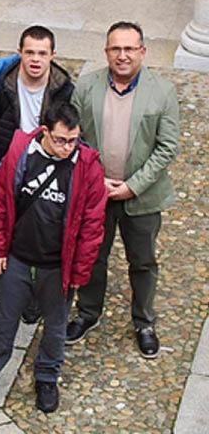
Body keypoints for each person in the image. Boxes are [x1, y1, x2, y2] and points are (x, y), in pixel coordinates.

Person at [0, 103, 107, 413]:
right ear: (45, 132)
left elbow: (93, 225)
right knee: (3, 324)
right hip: (18, 259)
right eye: (60, 140)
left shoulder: (88, 166)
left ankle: (47, 378)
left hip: (58, 266)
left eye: (73, 140)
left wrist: (80, 273)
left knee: (55, 328)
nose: (68, 147)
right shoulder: (21, 153)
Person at [64, 22, 180, 358]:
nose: (123, 55)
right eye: (116, 48)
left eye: (130, 48)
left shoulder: (162, 91)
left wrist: (133, 186)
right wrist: (96, 180)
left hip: (142, 196)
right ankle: (88, 313)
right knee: (93, 256)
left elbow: (167, 146)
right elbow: (76, 139)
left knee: (142, 261)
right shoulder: (86, 87)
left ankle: (144, 322)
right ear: (106, 52)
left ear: (143, 51)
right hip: (96, 192)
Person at [0, 25, 75, 316]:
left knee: (39, 228)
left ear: (53, 55)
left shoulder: (63, 86)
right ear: (20, 53)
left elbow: (68, 126)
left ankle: (35, 291)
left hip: (45, 162)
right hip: (7, 160)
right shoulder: (3, 82)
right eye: (29, 52)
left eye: (42, 53)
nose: (35, 59)